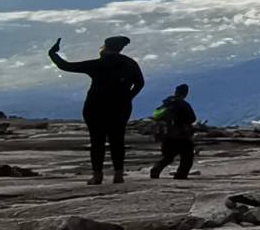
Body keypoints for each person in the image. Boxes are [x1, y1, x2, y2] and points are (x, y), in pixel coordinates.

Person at [48, 35, 146, 184]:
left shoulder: (98, 64)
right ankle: (118, 174)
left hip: (96, 106)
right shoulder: (129, 63)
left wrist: (53, 53)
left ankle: (97, 175)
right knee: (117, 140)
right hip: (120, 107)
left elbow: (66, 66)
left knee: (97, 141)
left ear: (106, 47)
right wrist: (128, 97)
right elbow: (140, 83)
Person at [148, 83, 198, 180]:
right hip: (182, 136)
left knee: (168, 156)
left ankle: (157, 168)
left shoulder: (167, 103)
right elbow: (192, 118)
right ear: (185, 93)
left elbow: (156, 115)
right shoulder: (184, 105)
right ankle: (181, 174)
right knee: (187, 156)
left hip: (167, 136)